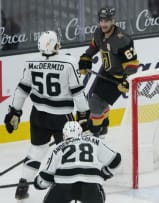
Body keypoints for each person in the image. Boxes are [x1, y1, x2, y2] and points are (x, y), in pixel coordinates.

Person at [3, 30, 90, 200]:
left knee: (36, 151)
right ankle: (66, 189)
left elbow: (22, 90)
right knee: (68, 153)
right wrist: (84, 117)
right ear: (55, 44)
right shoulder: (69, 63)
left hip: (38, 115)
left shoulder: (31, 62)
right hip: (61, 118)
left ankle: (22, 185)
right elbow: (78, 93)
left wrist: (15, 111)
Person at [78, 7, 139, 137]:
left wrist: (126, 80)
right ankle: (103, 126)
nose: (104, 24)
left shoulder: (121, 39)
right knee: (96, 101)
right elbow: (94, 47)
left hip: (118, 77)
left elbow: (133, 64)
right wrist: (86, 57)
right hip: (106, 72)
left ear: (113, 21)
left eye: (107, 21)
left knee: (96, 103)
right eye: (101, 21)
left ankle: (95, 132)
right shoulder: (99, 33)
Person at [33, 121, 121, 203]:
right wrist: (105, 173)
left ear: (64, 135)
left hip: (64, 186)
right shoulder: (95, 141)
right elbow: (116, 160)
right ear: (81, 133)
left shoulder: (58, 148)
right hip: (90, 186)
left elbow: (46, 178)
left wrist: (38, 183)